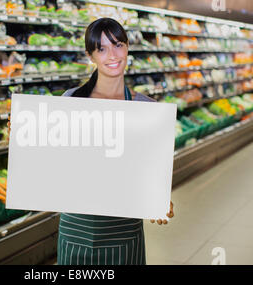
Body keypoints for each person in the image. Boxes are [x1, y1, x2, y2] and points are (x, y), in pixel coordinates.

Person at [57, 17, 174, 265]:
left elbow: (150, 170)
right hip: (75, 227)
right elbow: (53, 159)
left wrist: (158, 198)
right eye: (101, 49)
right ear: (91, 56)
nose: (112, 55)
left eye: (118, 44)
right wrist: (25, 134)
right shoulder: (70, 101)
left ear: (128, 47)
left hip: (122, 231)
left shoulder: (146, 108)